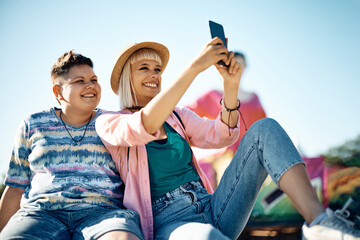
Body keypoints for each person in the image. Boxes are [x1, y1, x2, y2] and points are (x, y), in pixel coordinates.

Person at [95, 39, 360, 240]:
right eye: (144, 68)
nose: (154, 74)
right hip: (170, 221)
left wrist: (230, 87)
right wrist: (195, 67)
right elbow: (143, 124)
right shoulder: (109, 121)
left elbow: (222, 135)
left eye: (157, 68)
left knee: (264, 128)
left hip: (215, 206)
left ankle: (320, 224)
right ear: (128, 77)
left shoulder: (177, 116)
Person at [0, 50, 143, 240]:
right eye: (80, 81)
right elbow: (15, 188)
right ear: (58, 92)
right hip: (42, 214)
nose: (90, 85)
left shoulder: (113, 121)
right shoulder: (32, 124)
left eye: (94, 79)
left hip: (104, 214)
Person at [187, 51, 266, 187]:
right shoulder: (212, 95)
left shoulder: (254, 98)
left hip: (251, 154)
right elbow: (187, 115)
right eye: (232, 63)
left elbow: (263, 128)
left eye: (239, 63)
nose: (236, 67)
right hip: (223, 155)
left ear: (245, 66)